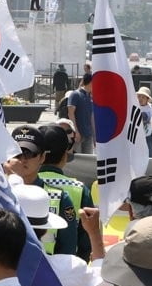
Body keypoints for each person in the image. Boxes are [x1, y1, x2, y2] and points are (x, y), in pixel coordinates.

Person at [5, 126, 78, 254]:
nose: (23, 159)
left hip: (47, 269)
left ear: (42, 157)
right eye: (17, 153)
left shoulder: (59, 197)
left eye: (29, 153)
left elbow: (68, 247)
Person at [38, 125, 93, 261]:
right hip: (67, 267)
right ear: (65, 155)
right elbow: (86, 238)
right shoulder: (79, 189)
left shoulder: (22, 183)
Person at [66, 72, 95, 154]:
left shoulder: (91, 97)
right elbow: (70, 114)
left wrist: (94, 136)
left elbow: (92, 116)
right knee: (76, 160)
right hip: (78, 135)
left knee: (87, 160)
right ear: (91, 82)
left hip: (88, 135)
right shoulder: (75, 94)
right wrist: (76, 131)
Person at [136, 86, 152, 158]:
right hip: (136, 136)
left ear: (147, 99)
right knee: (137, 154)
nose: (140, 99)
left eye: (143, 97)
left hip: (147, 135)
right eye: (139, 96)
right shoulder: (135, 106)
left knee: (149, 154)